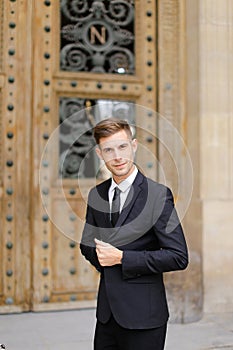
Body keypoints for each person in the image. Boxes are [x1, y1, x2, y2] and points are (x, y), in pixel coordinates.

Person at [80, 117, 188, 350]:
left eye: (122, 147)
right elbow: (86, 244)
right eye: (108, 149)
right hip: (106, 316)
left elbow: (178, 256)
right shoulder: (96, 194)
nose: (117, 156)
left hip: (145, 317)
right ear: (100, 154)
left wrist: (122, 258)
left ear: (134, 146)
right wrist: (100, 255)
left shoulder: (158, 195)